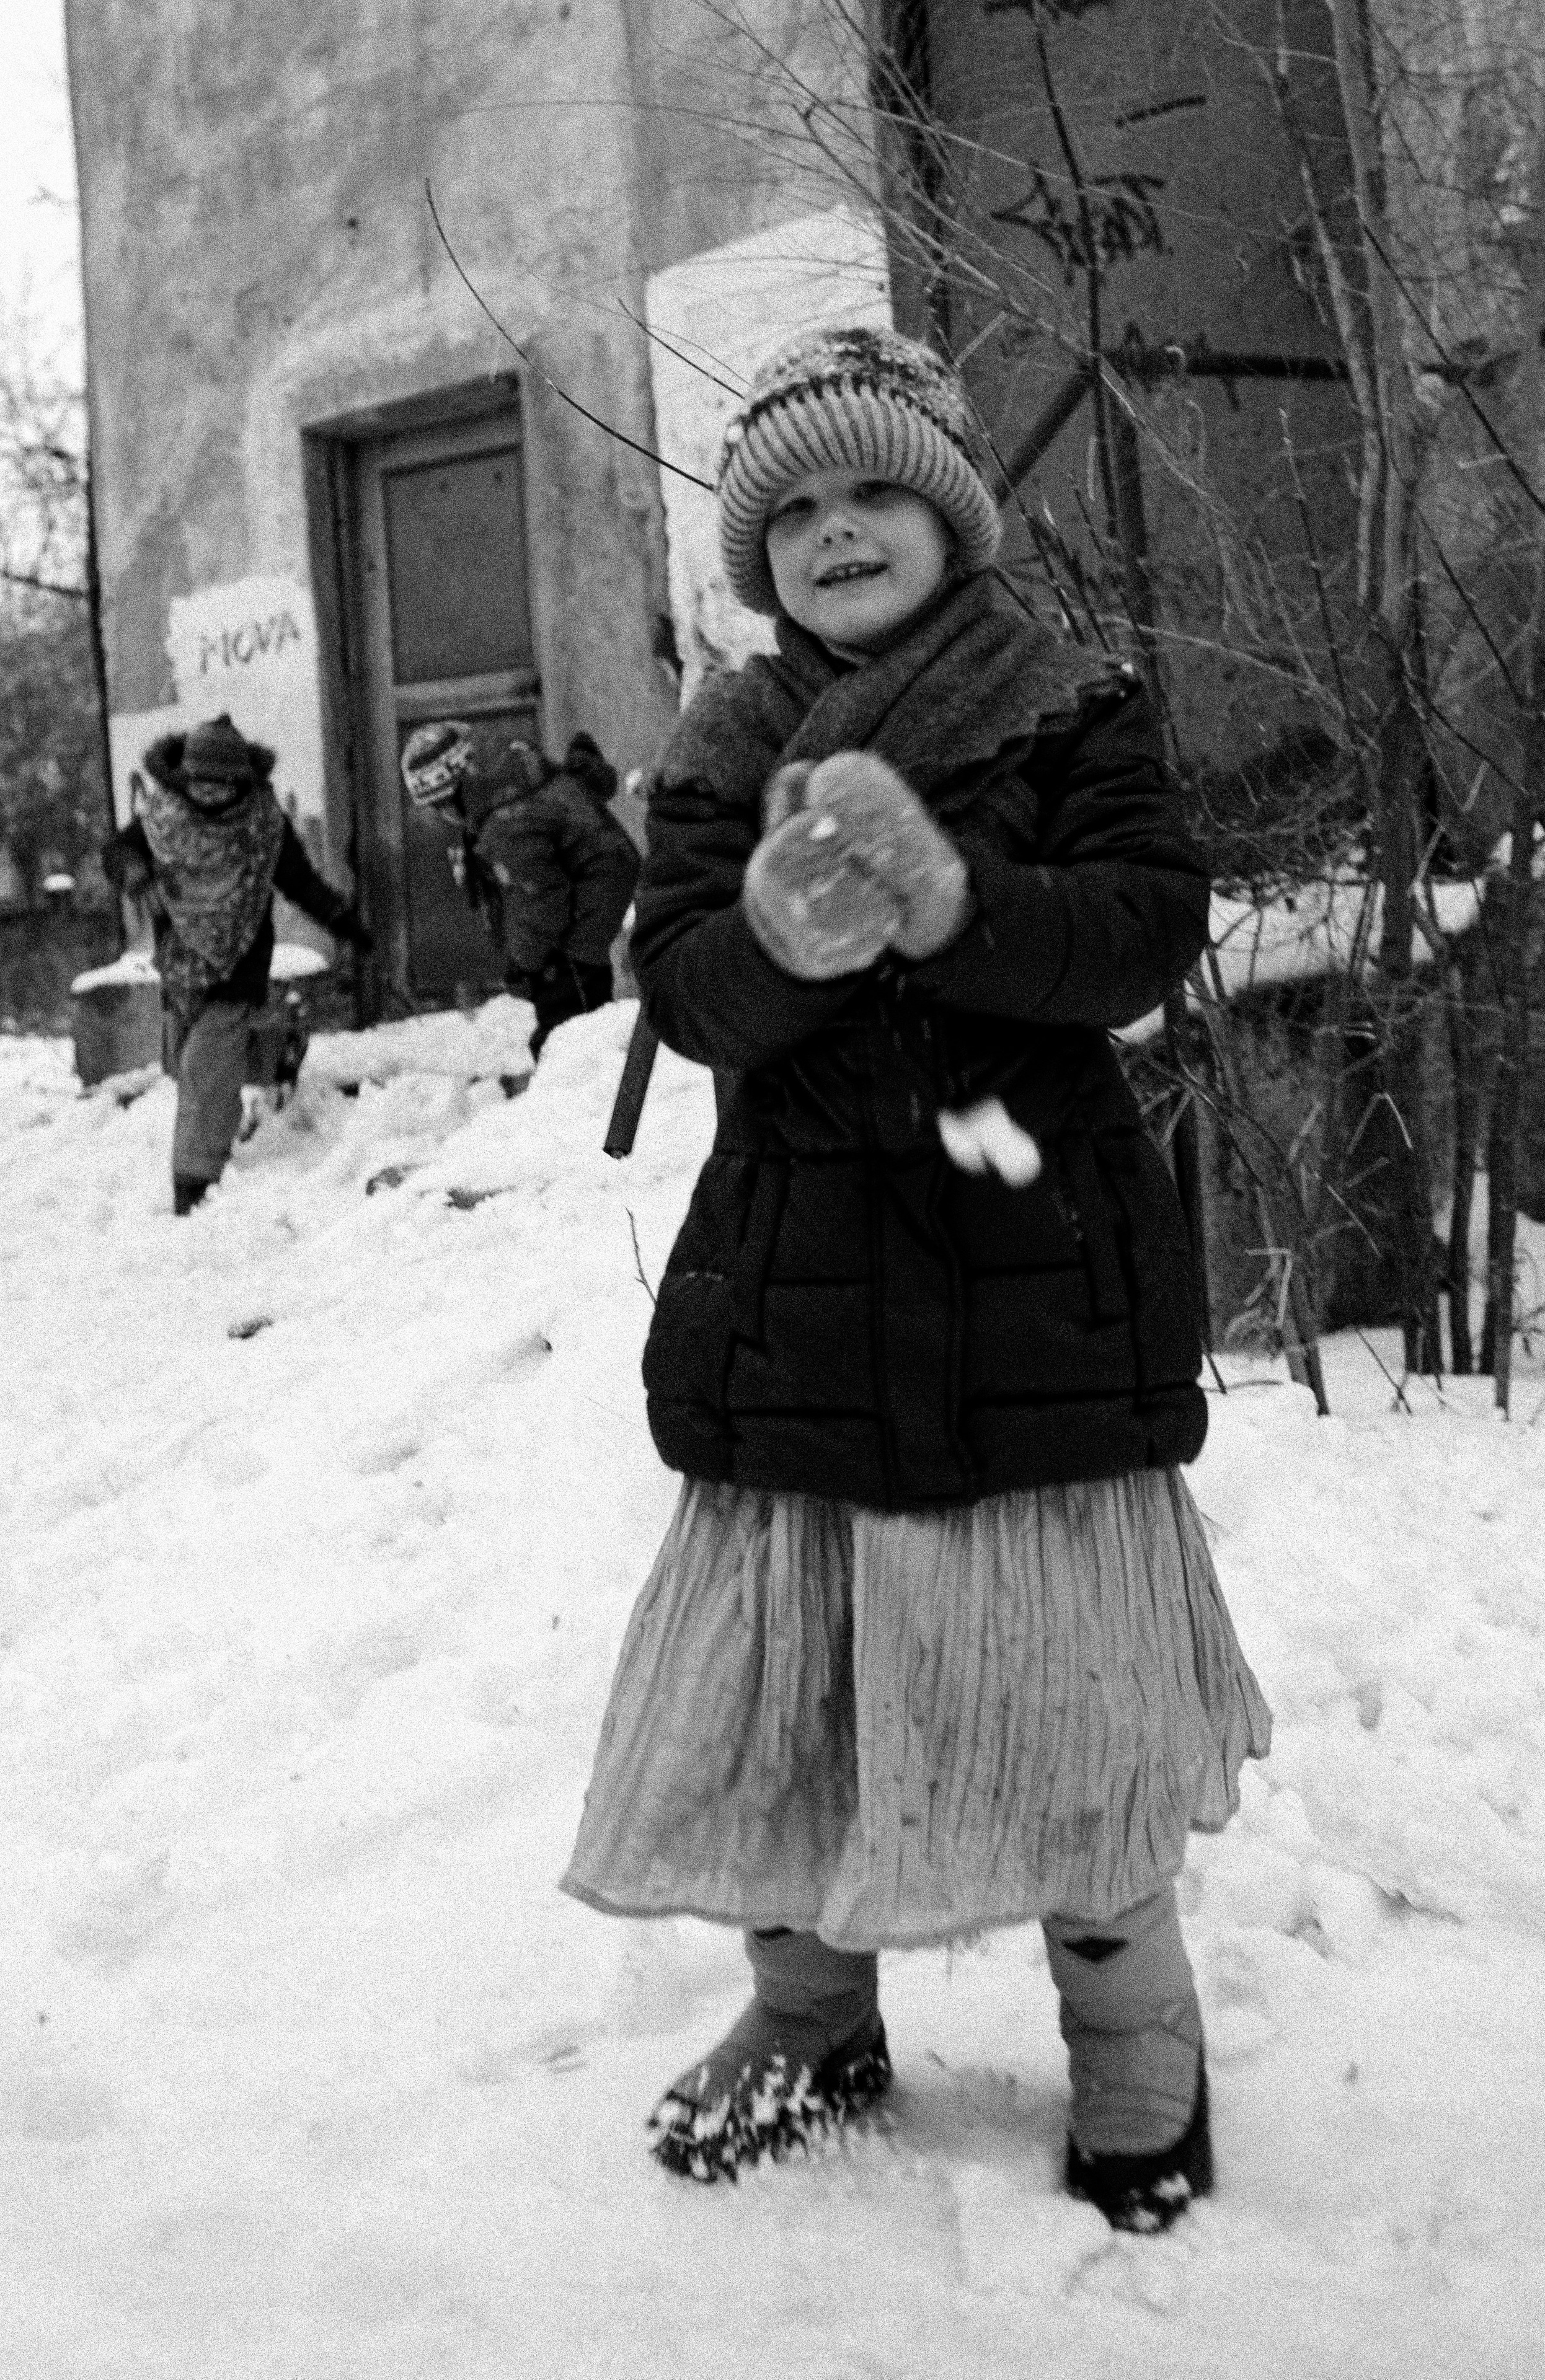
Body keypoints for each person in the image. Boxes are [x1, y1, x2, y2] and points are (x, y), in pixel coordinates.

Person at [560, 327, 1271, 2232]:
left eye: (870, 489)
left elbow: (1141, 925)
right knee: (791, 1703)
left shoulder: (1065, 705)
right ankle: (810, 2014)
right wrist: (777, 936)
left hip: (1029, 1272)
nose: (833, 529)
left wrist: (956, 907)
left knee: (1071, 1703)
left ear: (949, 514)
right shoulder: (721, 746)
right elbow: (687, 990)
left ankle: (1136, 2040)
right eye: (788, 509)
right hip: (800, 1289)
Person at [103, 713, 371, 1215]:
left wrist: (341, 919)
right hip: (181, 966)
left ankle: (195, 1188)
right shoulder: (162, 817)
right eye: (200, 783)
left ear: (242, 781)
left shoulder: (265, 824)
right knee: (187, 1070)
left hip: (241, 962)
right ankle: (268, 1075)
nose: (209, 794)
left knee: (204, 1069)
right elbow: (117, 851)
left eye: (222, 784)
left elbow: (299, 879)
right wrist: (136, 872)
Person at [399, 720, 639, 1056]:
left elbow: (537, 899)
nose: (444, 818)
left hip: (586, 929)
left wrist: (526, 965)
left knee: (571, 1043)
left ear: (456, 790)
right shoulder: (513, 790)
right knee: (583, 1036)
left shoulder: (505, 820)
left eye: (440, 807)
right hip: (597, 912)